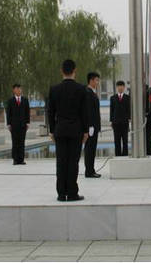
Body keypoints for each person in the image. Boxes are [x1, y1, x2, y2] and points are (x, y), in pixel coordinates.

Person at [47, 59, 90, 201]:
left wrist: (52, 130)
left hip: (60, 130)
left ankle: (61, 193)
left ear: (61, 71)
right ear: (74, 70)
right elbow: (84, 112)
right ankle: (72, 192)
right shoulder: (81, 89)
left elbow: (50, 112)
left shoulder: (54, 89)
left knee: (61, 161)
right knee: (73, 162)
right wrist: (85, 131)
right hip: (76, 130)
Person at [6, 84, 31, 165]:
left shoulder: (25, 100)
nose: (19, 90)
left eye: (20, 89)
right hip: (14, 125)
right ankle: (15, 159)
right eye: (17, 89)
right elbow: (8, 113)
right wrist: (8, 124)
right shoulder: (10, 101)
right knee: (15, 142)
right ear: (14, 90)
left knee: (22, 142)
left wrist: (28, 122)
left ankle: (21, 159)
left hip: (23, 125)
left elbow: (27, 112)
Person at [84, 72, 102, 178]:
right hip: (91, 127)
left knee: (92, 149)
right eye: (96, 80)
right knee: (89, 149)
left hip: (94, 126)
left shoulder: (92, 92)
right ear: (91, 80)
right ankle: (89, 171)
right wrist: (90, 126)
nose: (97, 82)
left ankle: (91, 169)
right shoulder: (87, 92)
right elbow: (88, 111)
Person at [109, 81, 130, 156]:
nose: (120, 88)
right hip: (116, 122)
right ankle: (117, 155)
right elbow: (111, 110)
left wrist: (129, 118)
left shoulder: (127, 98)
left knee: (125, 140)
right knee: (117, 140)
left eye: (122, 86)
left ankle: (125, 155)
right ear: (117, 87)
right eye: (119, 86)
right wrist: (111, 121)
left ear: (124, 87)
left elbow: (129, 109)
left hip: (125, 122)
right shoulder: (112, 98)